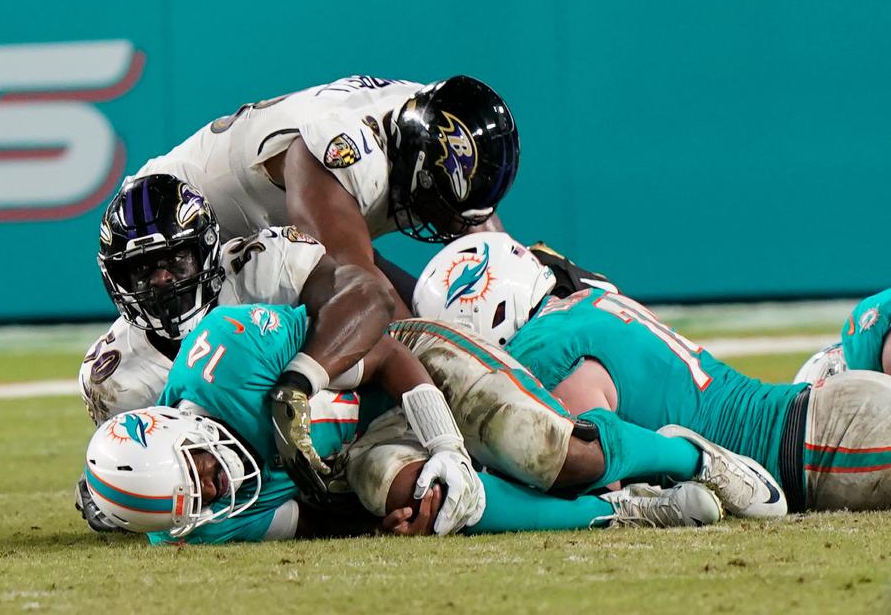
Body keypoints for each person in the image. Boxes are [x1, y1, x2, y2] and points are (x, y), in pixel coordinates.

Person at [85, 302, 778, 544]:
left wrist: (445, 441)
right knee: (432, 503)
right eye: (201, 501)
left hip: (407, 367)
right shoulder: (202, 522)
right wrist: (410, 497)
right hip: (362, 445)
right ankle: (623, 511)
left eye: (202, 472)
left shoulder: (231, 358)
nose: (220, 487)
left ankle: (691, 458)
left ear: (180, 429)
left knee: (551, 454)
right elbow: (318, 516)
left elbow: (380, 347)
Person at [77, 175, 484, 534]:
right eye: (142, 269)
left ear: (206, 250)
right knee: (423, 497)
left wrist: (299, 380)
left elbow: (370, 304)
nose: (161, 281)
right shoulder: (114, 378)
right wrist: (114, 492)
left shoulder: (263, 266)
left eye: (174, 260)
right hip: (340, 469)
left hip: (393, 374)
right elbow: (158, 476)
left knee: (525, 437)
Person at [415, 232, 891, 512]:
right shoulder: (589, 302)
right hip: (823, 416)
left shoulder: (545, 349)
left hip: (815, 446)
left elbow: (599, 473)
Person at [125, 75, 520, 315]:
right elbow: (361, 295)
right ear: (417, 170)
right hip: (172, 232)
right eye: (440, 207)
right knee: (361, 335)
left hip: (284, 227)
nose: (449, 224)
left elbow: (491, 253)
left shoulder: (426, 120)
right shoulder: (340, 153)